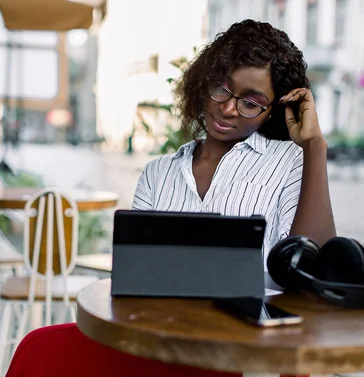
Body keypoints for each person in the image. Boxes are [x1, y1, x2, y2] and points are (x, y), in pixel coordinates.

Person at [132, 19, 336, 264]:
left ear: (273, 110)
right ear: (203, 81)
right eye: (220, 88)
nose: (228, 108)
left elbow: (312, 263)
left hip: (252, 305)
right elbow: (135, 267)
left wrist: (314, 145)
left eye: (250, 103)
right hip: (163, 304)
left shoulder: (290, 163)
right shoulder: (157, 174)